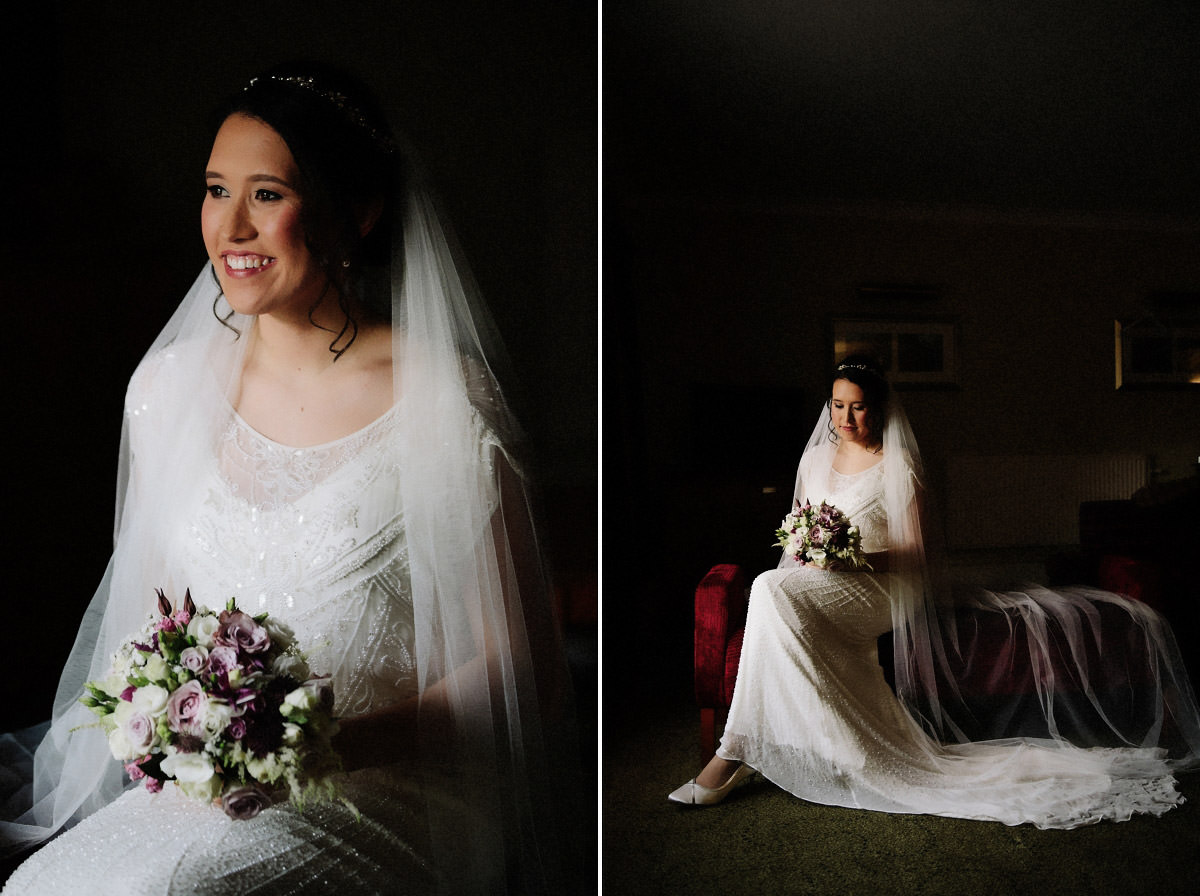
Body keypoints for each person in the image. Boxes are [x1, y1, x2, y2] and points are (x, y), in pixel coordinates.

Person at [0, 63, 579, 894]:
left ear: (358, 213)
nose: (231, 225)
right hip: (206, 796)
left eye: (267, 194)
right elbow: (156, 624)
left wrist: (320, 739)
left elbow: (528, 675)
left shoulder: (442, 399)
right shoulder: (164, 391)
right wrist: (184, 729)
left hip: (392, 793)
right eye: (214, 189)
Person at [669, 356, 1200, 829]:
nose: (844, 419)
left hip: (886, 584)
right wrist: (809, 554)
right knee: (770, 586)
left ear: (877, 410)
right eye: (836, 406)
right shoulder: (812, 462)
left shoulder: (899, 465)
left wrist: (846, 556)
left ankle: (734, 752)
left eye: (856, 408)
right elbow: (801, 530)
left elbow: (914, 554)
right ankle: (741, 746)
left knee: (769, 590)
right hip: (827, 577)